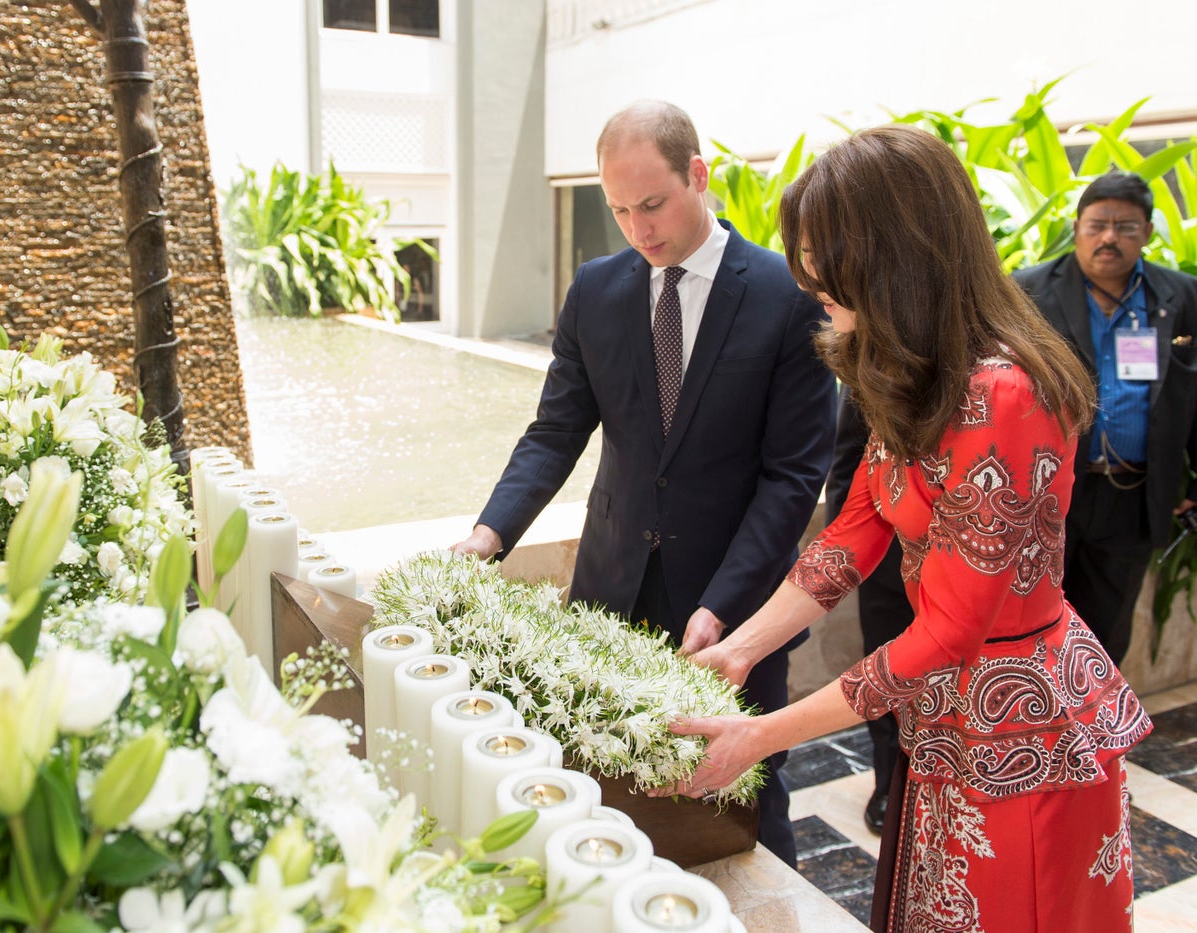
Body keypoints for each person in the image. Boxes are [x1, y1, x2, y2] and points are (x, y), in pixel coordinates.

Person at [654, 125, 1153, 932]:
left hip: (1019, 730)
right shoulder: (920, 367)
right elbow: (852, 533)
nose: (811, 276)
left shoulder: (1000, 395)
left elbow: (953, 628)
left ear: (896, 254)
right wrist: (740, 648)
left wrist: (762, 734)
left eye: (824, 255)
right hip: (951, 715)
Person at [450, 100, 836, 865]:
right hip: (609, 593)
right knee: (600, 792)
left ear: (699, 174)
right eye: (619, 209)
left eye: (652, 204)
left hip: (732, 602)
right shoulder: (594, 291)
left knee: (745, 801)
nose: (638, 228)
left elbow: (793, 477)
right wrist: (489, 533)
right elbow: (556, 430)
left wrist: (723, 604)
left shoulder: (785, 297)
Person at [1013, 171, 1197, 664]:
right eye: (1097, 225)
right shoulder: (1026, 292)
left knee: (1105, 636)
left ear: (1150, 232)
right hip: (1044, 495)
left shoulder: (1180, 297)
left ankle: (1092, 737)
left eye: (1125, 226)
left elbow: (1191, 391)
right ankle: (1035, 734)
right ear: (1076, 227)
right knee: (1029, 628)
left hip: (1131, 498)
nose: (1109, 237)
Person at [824, 384, 913, 835]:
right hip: (887, 558)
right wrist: (845, 562)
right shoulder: (872, 364)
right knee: (886, 675)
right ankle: (888, 785)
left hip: (964, 565)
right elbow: (848, 460)